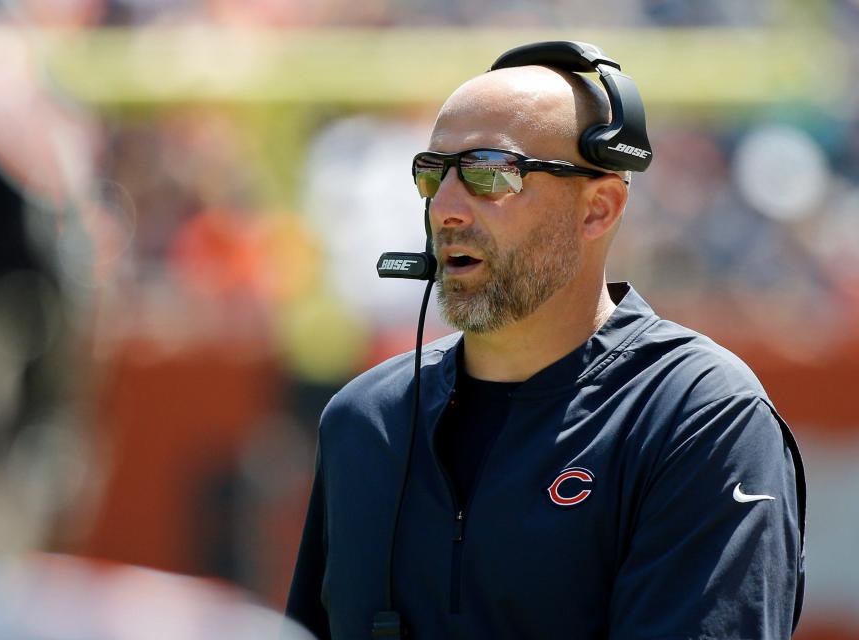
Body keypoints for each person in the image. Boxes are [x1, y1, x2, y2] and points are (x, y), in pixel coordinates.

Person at [286, 42, 805, 640]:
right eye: (432, 173)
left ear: (598, 208)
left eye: (490, 173)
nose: (445, 208)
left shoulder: (698, 417)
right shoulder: (362, 421)